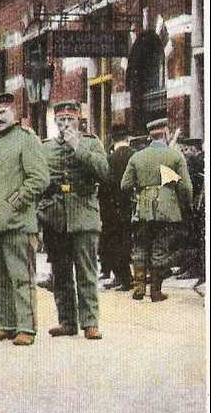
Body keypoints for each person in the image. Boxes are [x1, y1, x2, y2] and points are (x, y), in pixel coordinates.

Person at [0, 93, 50, 346]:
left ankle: (26, 327)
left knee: (21, 276)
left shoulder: (26, 139)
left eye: (2, 112)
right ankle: (4, 324)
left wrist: (14, 203)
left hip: (16, 223)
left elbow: (39, 178)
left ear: (13, 112)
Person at [38, 101, 109, 340]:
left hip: (84, 214)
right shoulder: (45, 147)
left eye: (70, 119)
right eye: (61, 119)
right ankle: (67, 321)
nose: (65, 123)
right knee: (60, 272)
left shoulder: (90, 142)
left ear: (78, 120)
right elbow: (37, 180)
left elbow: (104, 171)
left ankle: (90, 322)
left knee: (86, 271)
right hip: (54, 216)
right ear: (55, 121)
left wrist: (77, 145)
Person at [120, 117, 193, 303]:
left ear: (150, 136)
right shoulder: (175, 156)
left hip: (143, 209)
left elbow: (125, 185)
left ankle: (138, 286)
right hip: (167, 209)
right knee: (160, 248)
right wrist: (185, 206)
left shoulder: (137, 156)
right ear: (166, 133)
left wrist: (139, 192)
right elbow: (186, 188)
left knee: (141, 247)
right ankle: (155, 291)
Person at [100, 129, 135, 292]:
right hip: (132, 206)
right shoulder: (135, 156)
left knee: (114, 243)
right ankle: (134, 278)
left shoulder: (109, 159)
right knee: (131, 242)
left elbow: (103, 186)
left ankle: (122, 278)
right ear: (128, 138)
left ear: (113, 140)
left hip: (112, 208)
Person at [176, 137, 204, 284]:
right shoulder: (194, 161)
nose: (185, 152)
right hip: (193, 204)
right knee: (188, 237)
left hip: (195, 204)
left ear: (195, 149)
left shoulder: (197, 162)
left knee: (192, 238)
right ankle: (187, 266)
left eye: (187, 149)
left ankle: (193, 268)